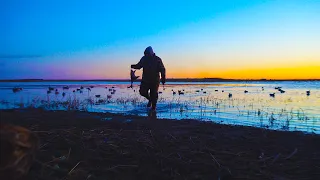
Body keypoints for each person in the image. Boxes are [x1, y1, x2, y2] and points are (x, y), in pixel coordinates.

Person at [131, 46, 166, 111]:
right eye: (145, 54)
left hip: (155, 81)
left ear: (151, 53)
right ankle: (150, 99)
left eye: (147, 54)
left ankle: (153, 109)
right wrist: (132, 66)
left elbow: (162, 69)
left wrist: (163, 77)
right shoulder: (144, 59)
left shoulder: (157, 59)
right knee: (142, 92)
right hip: (145, 80)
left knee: (154, 94)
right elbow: (139, 66)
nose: (146, 55)